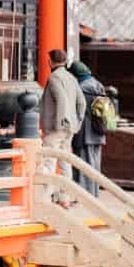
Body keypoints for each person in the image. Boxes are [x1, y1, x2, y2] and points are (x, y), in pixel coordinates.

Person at [40, 49, 85, 206]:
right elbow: (82, 103)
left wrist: (60, 122)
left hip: (55, 127)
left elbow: (61, 100)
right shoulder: (71, 78)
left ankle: (45, 198)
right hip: (69, 127)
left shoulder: (54, 78)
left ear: (50, 61)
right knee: (65, 162)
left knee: (48, 161)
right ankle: (65, 197)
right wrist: (76, 122)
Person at [68, 61, 108, 198]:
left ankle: (84, 196)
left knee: (83, 165)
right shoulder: (97, 84)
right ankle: (94, 194)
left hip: (85, 132)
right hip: (99, 130)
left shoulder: (81, 87)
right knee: (95, 165)